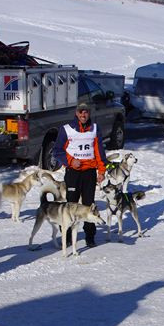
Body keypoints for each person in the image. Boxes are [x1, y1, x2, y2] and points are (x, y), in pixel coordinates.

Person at [53, 102, 107, 247]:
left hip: (89, 173)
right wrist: (70, 161)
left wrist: (101, 171)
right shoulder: (66, 129)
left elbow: (99, 152)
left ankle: (90, 236)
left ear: (89, 113)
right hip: (73, 173)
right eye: (80, 112)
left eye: (86, 112)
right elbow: (57, 151)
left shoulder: (95, 129)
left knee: (89, 205)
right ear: (76, 113)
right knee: (71, 204)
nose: (83, 115)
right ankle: (68, 235)